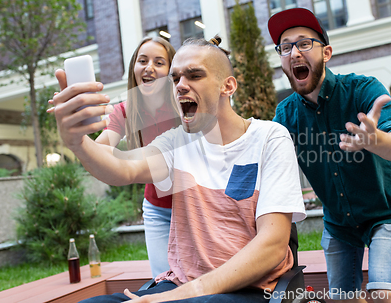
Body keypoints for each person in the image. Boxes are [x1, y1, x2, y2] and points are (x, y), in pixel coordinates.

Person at [51, 36, 306, 303]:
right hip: (182, 284)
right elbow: (120, 168)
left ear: (227, 86)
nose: (181, 86)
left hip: (251, 289)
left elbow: (273, 246)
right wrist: (76, 142)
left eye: (194, 75)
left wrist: (180, 295)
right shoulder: (177, 141)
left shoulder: (270, 138)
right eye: (175, 79)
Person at [268, 8, 391, 303]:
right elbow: (267, 171)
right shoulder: (284, 115)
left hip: (386, 213)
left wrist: (375, 140)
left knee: (385, 294)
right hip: (338, 224)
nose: (294, 52)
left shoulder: (362, 89)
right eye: (286, 47)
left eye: (304, 43)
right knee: (342, 300)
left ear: (327, 53)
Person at [95, 37, 180, 277]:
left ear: (171, 71)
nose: (149, 67)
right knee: (163, 278)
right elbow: (102, 148)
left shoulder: (182, 104)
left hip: (193, 203)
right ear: (134, 68)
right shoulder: (124, 110)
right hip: (156, 208)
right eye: (142, 61)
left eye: (159, 62)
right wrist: (78, 136)